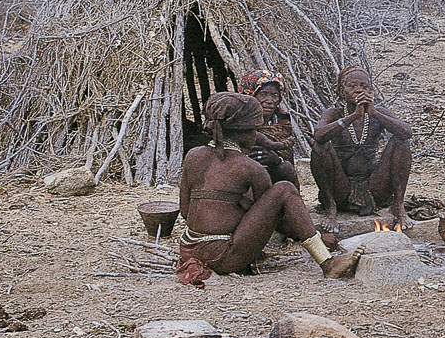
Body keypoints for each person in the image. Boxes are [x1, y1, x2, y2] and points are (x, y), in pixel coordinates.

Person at [176, 92, 362, 287]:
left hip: (188, 249)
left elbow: (185, 211)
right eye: (254, 130)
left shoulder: (193, 155)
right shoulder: (250, 167)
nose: (257, 135)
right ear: (242, 132)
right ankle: (327, 262)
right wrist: (314, 236)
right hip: (222, 257)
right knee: (284, 189)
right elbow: (275, 220)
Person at [310, 65, 413, 233]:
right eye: (352, 86)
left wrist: (375, 114)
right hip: (340, 188)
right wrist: (353, 116)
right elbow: (319, 135)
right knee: (320, 146)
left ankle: (398, 206)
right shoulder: (333, 113)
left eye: (364, 86)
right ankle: (330, 208)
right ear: (341, 91)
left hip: (374, 187)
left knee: (401, 142)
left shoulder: (377, 112)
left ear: (370, 90)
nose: (358, 90)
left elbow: (406, 132)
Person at [238, 69, 299, 187]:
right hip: (242, 177)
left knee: (287, 168)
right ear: (250, 94)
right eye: (264, 94)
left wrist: (276, 160)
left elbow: (288, 155)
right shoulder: (237, 122)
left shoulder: (283, 122)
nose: (270, 101)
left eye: (275, 95)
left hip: (274, 179)